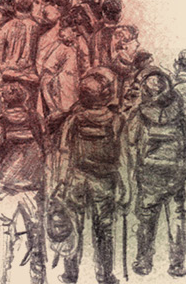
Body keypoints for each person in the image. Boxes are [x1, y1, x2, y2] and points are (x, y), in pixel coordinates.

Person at [124, 68, 186, 278]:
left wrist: (131, 172)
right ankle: (177, 264)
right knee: (176, 219)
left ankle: (143, 261)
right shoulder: (182, 117)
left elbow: (129, 142)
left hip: (149, 176)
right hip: (175, 175)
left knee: (146, 220)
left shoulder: (139, 115)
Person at [55, 68, 123, 284]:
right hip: (104, 180)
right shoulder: (116, 120)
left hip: (76, 179)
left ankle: (70, 274)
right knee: (104, 229)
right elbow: (123, 156)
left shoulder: (73, 120)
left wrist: (61, 181)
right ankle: (104, 275)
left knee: (72, 226)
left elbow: (64, 151)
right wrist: (125, 185)